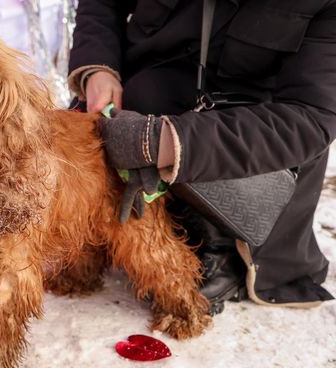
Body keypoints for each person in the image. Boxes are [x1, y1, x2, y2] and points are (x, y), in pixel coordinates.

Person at [68, 0, 336, 313]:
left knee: (183, 289)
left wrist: (161, 142)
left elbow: (310, 119)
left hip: (249, 144)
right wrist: (98, 68)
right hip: (133, 106)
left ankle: (219, 247)